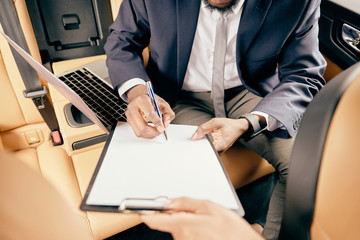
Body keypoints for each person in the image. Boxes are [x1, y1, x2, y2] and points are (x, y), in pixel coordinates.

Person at [104, 0, 326, 239]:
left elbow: (303, 75)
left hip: (252, 95)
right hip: (179, 98)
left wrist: (247, 122)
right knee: (188, 170)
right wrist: (138, 92)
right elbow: (122, 42)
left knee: (303, 164)